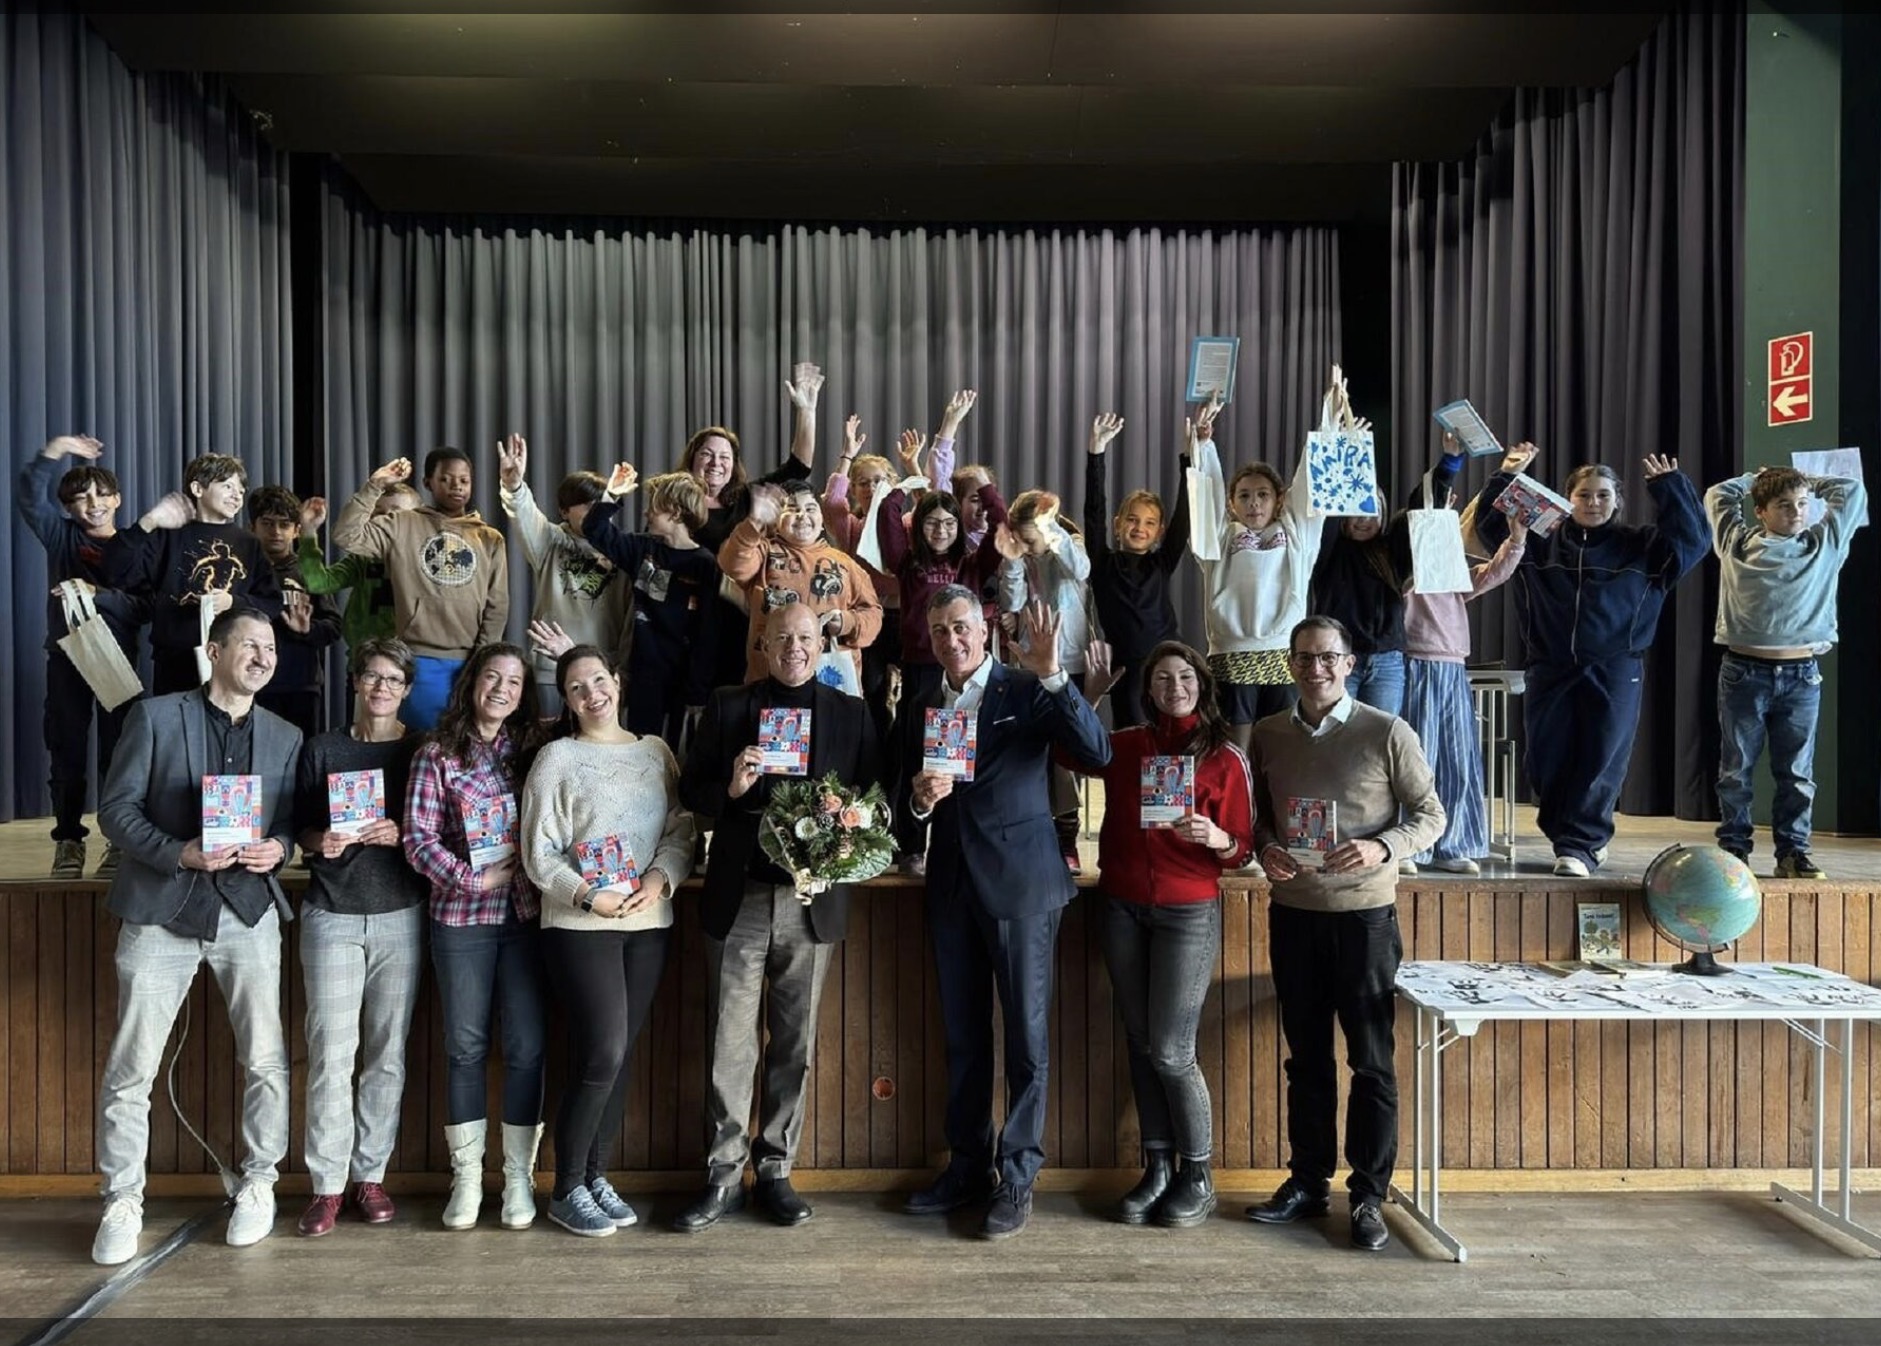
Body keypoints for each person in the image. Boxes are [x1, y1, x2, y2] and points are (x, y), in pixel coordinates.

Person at [896, 587, 1111, 1240]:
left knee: (1026, 1040)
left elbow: (1096, 753)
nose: (951, 639)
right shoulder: (921, 702)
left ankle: (1017, 1176)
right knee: (963, 1038)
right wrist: (920, 801)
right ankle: (968, 1165)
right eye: (939, 630)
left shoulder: (1025, 688)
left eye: (960, 626)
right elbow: (902, 799)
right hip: (951, 888)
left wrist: (1053, 676)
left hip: (1022, 887)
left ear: (984, 628)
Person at [90, 606, 302, 1265]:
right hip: (161, 909)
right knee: (132, 1068)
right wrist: (178, 852)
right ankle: (122, 1201)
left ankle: (260, 1182)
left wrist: (279, 848)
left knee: (266, 1059)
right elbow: (115, 811)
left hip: (246, 912)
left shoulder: (286, 734)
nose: (263, 658)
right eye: (250, 645)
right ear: (214, 650)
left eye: (271, 648)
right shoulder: (155, 717)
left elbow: (288, 824)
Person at [674, 603, 883, 1231]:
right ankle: (722, 1174)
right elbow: (691, 790)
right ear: (762, 645)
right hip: (738, 898)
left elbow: (875, 799)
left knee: (795, 1043)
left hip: (810, 905)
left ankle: (775, 1169)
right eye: (782, 637)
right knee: (729, 1044)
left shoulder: (852, 712)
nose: (794, 647)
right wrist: (731, 789)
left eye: (805, 637)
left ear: (822, 644)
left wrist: (845, 830)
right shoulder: (728, 705)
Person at [1244, 616, 1444, 1252]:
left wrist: (1382, 847)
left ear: (1350, 664)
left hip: (1364, 920)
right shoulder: (1268, 734)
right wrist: (1267, 848)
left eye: (1328, 657)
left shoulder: (1387, 731)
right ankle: (1308, 1183)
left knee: (1371, 1063)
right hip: (1293, 913)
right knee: (1305, 1061)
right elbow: (1256, 819)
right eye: (1304, 658)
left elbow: (1432, 815)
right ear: (1289, 664)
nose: (1316, 668)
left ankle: (1368, 1196)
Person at [1070, 640, 1254, 1227]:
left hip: (1187, 911)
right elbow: (1068, 752)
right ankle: (1157, 1168)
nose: (1176, 688)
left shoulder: (1225, 756)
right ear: (1148, 689)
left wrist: (1216, 838)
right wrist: (1089, 695)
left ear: (1202, 684)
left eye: (1185, 677)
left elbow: (1242, 848)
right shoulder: (1127, 745)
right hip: (1122, 906)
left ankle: (1198, 1175)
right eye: (1163, 679)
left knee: (1172, 1051)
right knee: (1141, 1043)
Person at [521, 645, 695, 1237]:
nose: (592, 693)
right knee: (601, 1051)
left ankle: (596, 1177)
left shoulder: (655, 752)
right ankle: (565, 1186)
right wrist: (584, 895)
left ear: (617, 682)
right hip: (580, 926)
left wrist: (660, 878)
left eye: (598, 680)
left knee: (618, 1058)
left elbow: (680, 828)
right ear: (567, 701)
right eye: (577, 688)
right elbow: (538, 852)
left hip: (647, 922)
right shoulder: (557, 758)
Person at [1471, 443, 1708, 877]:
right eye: (1584, 494)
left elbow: (1693, 541)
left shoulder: (1643, 547)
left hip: (1616, 669)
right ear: (1568, 499)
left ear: (1617, 500)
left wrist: (1670, 487)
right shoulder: (1540, 542)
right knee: (1546, 761)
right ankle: (1569, 839)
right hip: (1549, 667)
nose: (1593, 503)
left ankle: (1580, 845)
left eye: (1603, 495)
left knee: (1601, 759)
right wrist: (1507, 474)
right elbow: (1489, 524)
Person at [402, 644, 547, 1230]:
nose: (502, 689)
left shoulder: (533, 752)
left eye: (514, 681)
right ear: (471, 683)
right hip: (461, 919)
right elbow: (417, 839)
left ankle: (517, 1179)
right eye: (492, 676)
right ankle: (466, 1180)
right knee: (464, 1048)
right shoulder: (436, 753)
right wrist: (472, 878)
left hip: (525, 917)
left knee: (527, 1048)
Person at [291, 638, 429, 1237]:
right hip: (332, 914)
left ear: (407, 690)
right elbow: (296, 825)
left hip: (402, 912)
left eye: (393, 679)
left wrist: (405, 832)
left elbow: (439, 826)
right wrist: (317, 840)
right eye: (372, 676)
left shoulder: (421, 748)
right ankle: (326, 1185)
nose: (381, 687)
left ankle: (369, 1175)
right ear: (354, 681)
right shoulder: (323, 748)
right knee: (330, 1054)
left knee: (386, 1054)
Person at [1706, 462, 1867, 877]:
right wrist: (1755, 480)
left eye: (1802, 503)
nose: (1796, 512)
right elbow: (1717, 496)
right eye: (1783, 504)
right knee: (1736, 770)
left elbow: (1851, 492)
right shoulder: (1736, 543)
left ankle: (1793, 852)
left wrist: (1807, 480)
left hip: (1801, 675)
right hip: (1744, 672)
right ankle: (1735, 849)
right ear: (1761, 511)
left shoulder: (1823, 544)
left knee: (1796, 772)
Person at [16, 433, 148, 880]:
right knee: (66, 750)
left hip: (119, 661)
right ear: (68, 507)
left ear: (117, 499)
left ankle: (118, 840)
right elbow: (29, 496)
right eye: (80, 498)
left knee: (119, 755)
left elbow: (144, 608)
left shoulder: (135, 545)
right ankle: (69, 841)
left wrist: (98, 594)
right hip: (67, 658)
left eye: (101, 494)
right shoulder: (62, 537)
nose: (93, 503)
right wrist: (56, 448)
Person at [1399, 440, 1526, 876]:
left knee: (1457, 758)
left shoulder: (1453, 574)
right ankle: (1411, 845)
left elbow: (1493, 573)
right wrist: (1430, 520)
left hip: (1452, 669)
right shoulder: (1404, 570)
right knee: (1417, 757)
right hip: (1414, 666)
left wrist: (1516, 538)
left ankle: (1454, 844)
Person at [331, 446, 510, 730]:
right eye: (446, 479)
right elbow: (346, 535)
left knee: (457, 744)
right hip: (414, 657)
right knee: (409, 743)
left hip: (468, 660)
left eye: (464, 480)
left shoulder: (489, 538)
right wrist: (375, 486)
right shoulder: (402, 524)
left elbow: (497, 605)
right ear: (428, 482)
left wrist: (481, 660)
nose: (456, 486)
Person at [1186, 396, 1326, 751]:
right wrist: (1204, 444)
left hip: (1281, 652)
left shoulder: (1295, 533)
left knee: (1280, 747)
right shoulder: (1221, 536)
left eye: (1263, 495)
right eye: (1244, 495)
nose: (1254, 503)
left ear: (1278, 499)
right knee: (1237, 748)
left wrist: (1328, 427)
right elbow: (1207, 496)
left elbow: (1309, 488)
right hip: (1231, 653)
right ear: (1232, 502)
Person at [687, 364, 824, 690]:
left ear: (734, 465)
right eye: (707, 454)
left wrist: (807, 411)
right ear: (692, 459)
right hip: (688, 618)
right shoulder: (675, 501)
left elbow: (799, 467)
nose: (716, 463)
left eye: (725, 457)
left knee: (736, 691)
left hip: (737, 616)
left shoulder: (748, 497)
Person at [105, 452, 283, 695]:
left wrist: (232, 602)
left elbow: (272, 602)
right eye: (228, 486)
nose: (237, 496)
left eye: (241, 491)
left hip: (233, 660)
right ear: (198, 489)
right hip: (175, 659)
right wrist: (149, 522)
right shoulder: (167, 534)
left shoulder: (249, 544)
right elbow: (115, 569)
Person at [579, 467, 720, 746]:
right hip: (642, 675)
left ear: (675, 513)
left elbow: (709, 632)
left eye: (654, 507)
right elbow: (593, 529)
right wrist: (612, 493)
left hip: (682, 680)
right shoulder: (641, 549)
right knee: (640, 746)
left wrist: (698, 691)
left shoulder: (704, 564)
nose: (646, 513)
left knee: (674, 753)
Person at [997, 490, 1099, 873]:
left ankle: (1066, 836)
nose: (1026, 546)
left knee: (1067, 752)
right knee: (1032, 749)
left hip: (1072, 661)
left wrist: (1053, 531)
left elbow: (1081, 570)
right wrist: (1012, 560)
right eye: (1020, 539)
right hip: (1032, 662)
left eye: (1030, 538)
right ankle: (1032, 830)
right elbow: (1011, 602)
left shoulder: (1069, 546)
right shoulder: (1021, 558)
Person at [496, 434, 629, 715]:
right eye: (588, 505)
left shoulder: (624, 548)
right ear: (564, 511)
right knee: (547, 736)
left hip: (602, 671)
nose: (597, 511)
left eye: (602, 503)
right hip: (551, 670)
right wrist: (514, 486)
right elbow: (524, 514)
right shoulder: (550, 541)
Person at [1083, 411, 1190, 728]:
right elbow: (1094, 511)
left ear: (1159, 532)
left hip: (1169, 661)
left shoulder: (1162, 562)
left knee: (1175, 735)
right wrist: (1096, 452)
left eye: (1149, 523)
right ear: (1117, 525)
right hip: (1127, 670)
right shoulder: (1102, 562)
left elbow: (1184, 515)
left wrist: (1188, 460)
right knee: (1134, 736)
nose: (1139, 528)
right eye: (1132, 520)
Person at [718, 479, 882, 686]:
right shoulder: (763, 553)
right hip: (769, 680)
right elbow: (732, 563)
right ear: (776, 519)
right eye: (792, 509)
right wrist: (754, 522)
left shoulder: (847, 565)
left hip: (831, 680)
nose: (802, 515)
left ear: (822, 520)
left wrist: (847, 622)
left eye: (810, 508)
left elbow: (873, 614)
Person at [248, 484, 343, 737]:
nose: (276, 532)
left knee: (303, 755)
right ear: (252, 527)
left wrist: (308, 630)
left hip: (301, 686)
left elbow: (334, 627)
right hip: (252, 685)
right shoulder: (242, 572)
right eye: (267, 524)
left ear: (297, 530)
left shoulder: (308, 571)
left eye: (284, 524)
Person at [296, 481, 422, 653]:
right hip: (364, 655)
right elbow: (318, 583)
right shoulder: (362, 558)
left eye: (396, 513)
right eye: (378, 513)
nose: (385, 519)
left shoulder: (427, 559)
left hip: (410, 655)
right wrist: (309, 532)